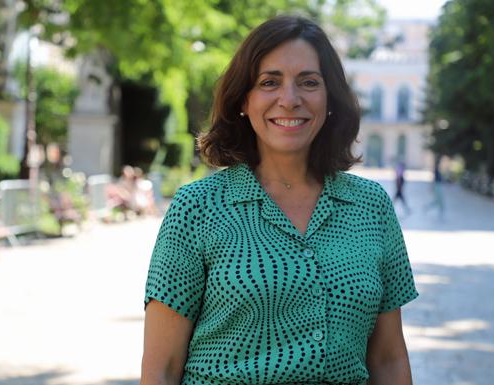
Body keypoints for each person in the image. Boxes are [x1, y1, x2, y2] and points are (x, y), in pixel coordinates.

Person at [141, 15, 418, 385]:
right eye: (269, 82)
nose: (290, 100)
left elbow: (389, 360)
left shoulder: (372, 207)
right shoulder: (197, 208)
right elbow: (162, 368)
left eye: (309, 82)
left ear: (330, 99)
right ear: (243, 99)